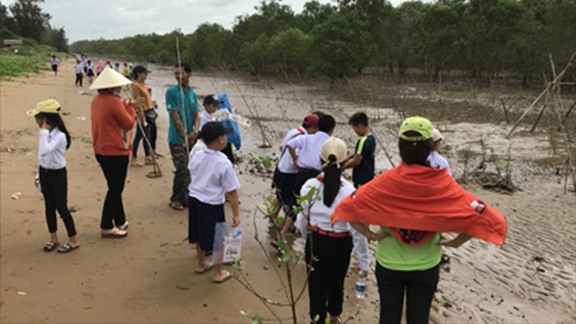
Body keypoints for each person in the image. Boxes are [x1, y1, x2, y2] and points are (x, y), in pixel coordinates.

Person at [332, 116, 507, 324]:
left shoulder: (383, 183)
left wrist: (370, 234)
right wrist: (456, 242)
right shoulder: (444, 185)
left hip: (389, 265)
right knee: (419, 319)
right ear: (431, 147)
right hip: (426, 266)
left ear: (399, 147)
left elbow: (346, 208)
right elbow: (485, 217)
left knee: (388, 318)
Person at [299, 138, 369, 324]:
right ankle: (334, 316)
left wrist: (307, 238)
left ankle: (317, 320)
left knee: (316, 284)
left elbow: (302, 219)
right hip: (340, 243)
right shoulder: (350, 191)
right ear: (345, 162)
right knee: (337, 283)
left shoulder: (309, 186)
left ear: (320, 160)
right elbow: (357, 229)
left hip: (315, 239)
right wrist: (364, 262)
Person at [90, 67, 142, 238]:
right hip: (115, 151)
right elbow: (128, 124)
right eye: (117, 87)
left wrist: (127, 106)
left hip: (101, 150)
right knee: (115, 188)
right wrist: (132, 108)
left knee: (114, 187)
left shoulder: (97, 100)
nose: (119, 89)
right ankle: (106, 225)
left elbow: (114, 116)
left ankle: (120, 219)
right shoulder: (113, 101)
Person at [188, 122, 240, 283]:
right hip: (211, 203)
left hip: (195, 198)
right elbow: (232, 191)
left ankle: (201, 263)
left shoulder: (197, 153)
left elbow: (191, 171)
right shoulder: (223, 162)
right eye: (224, 136)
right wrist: (236, 214)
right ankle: (218, 272)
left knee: (197, 233)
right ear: (221, 140)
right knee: (218, 238)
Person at [27, 99, 79, 253]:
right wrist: (38, 175)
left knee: (61, 207)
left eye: (37, 118)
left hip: (58, 175)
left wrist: (43, 131)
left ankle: (73, 239)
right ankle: (53, 237)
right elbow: (42, 158)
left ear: (44, 119)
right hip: (45, 173)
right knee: (49, 206)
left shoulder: (60, 136)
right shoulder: (46, 134)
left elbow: (45, 150)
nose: (35, 122)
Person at [270, 114, 318, 239]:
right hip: (290, 174)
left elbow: (282, 147)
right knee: (292, 202)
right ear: (313, 128)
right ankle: (289, 228)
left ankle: (272, 219)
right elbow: (300, 161)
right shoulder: (305, 138)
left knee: (280, 197)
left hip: (280, 169)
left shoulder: (293, 132)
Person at [165, 62, 200, 211]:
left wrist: (195, 132)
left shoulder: (192, 93)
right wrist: (184, 134)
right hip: (176, 139)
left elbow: (197, 114)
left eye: (181, 73)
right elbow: (175, 115)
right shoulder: (171, 92)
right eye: (176, 73)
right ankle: (175, 198)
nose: (178, 76)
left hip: (192, 138)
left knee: (190, 168)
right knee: (181, 169)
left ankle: (185, 197)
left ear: (189, 74)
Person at [286, 114, 336, 196]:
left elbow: (290, 145)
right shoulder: (331, 142)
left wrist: (295, 158)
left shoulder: (306, 138)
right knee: (314, 200)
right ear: (332, 129)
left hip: (302, 174)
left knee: (299, 199)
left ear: (318, 126)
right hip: (318, 176)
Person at [342, 112, 376, 188]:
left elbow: (356, 161)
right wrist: (348, 157)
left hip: (361, 179)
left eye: (354, 128)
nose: (355, 131)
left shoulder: (362, 141)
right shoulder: (371, 138)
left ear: (359, 126)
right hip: (369, 176)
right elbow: (360, 152)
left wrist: (343, 167)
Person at [130, 65, 154, 167]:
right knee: (139, 135)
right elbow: (138, 103)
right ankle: (133, 157)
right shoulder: (135, 85)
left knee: (147, 135)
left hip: (149, 111)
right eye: (145, 73)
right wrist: (142, 118)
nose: (146, 75)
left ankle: (147, 155)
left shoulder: (142, 84)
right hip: (142, 113)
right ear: (138, 74)